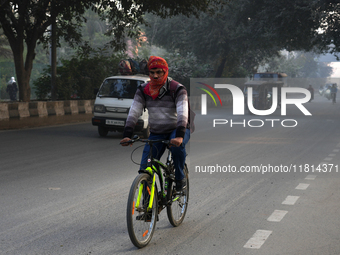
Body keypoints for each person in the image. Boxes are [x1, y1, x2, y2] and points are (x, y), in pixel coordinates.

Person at [120, 56, 190, 191]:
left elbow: (183, 113)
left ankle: (180, 177)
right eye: (152, 72)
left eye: (159, 72)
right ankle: (147, 208)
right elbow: (134, 112)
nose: (155, 76)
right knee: (145, 169)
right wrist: (127, 134)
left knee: (177, 148)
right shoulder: (143, 90)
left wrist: (180, 136)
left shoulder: (178, 89)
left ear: (165, 72)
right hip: (157, 132)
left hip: (177, 129)